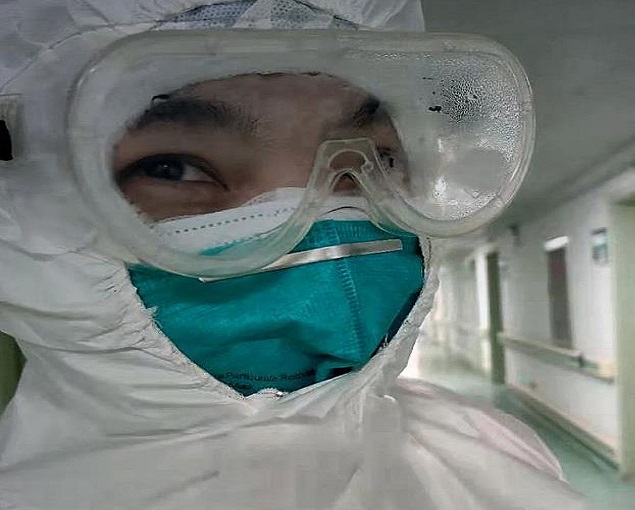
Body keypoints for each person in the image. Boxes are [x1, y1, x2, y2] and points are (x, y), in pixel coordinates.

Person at [0, 1, 586, 508]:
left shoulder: (498, 453)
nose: (329, 224)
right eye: (174, 168)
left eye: (377, 160)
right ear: (27, 208)